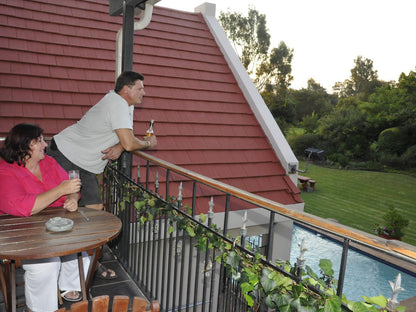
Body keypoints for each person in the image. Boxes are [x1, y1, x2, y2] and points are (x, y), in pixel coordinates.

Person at [47, 70, 157, 279]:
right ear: (127, 89)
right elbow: (130, 141)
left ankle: (86, 261)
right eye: (140, 87)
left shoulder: (118, 104)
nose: (144, 92)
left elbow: (122, 138)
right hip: (66, 155)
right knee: (73, 211)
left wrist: (121, 146)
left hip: (81, 162)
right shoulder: (117, 104)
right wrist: (148, 143)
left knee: (93, 210)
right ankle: (67, 262)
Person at [0, 123, 89, 311]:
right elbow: (24, 207)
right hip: (21, 230)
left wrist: (72, 198)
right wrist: (61, 190)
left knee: (82, 251)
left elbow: (70, 187)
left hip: (55, 223)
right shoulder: (5, 171)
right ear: (24, 146)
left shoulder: (48, 162)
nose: (45, 145)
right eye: (39, 141)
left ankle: (68, 285)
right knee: (46, 266)